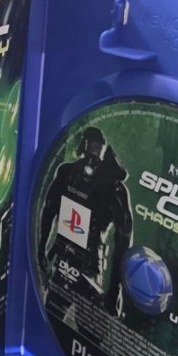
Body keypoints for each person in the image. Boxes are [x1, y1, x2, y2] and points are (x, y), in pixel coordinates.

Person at [38, 127, 132, 319]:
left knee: (85, 324)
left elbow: (124, 239)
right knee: (52, 315)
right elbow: (49, 209)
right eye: (91, 146)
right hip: (64, 258)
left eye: (98, 147)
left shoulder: (114, 188)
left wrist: (116, 289)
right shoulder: (67, 173)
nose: (93, 155)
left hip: (91, 266)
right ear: (84, 146)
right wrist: (41, 248)